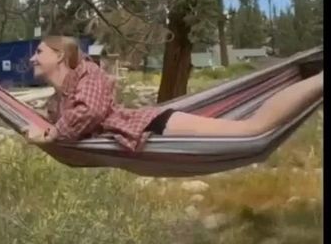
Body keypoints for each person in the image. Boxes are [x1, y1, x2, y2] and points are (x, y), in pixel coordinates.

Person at [25, 36, 323, 152]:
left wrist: (53, 134)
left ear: (61, 55)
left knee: (253, 129)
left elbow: (88, 112)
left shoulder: (89, 72)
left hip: (154, 125)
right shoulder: (56, 103)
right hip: (140, 140)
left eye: (39, 51)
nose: (32, 58)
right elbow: (60, 130)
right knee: (251, 129)